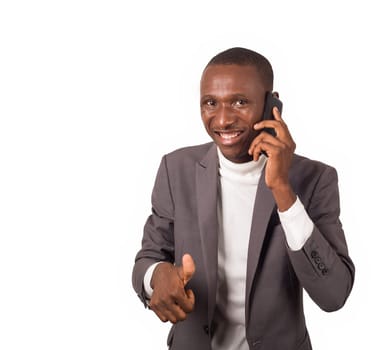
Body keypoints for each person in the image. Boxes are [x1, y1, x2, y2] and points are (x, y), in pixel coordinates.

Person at [132, 47, 355, 350]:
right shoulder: (176, 169)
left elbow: (334, 294)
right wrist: (157, 276)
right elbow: (148, 258)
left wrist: (283, 191)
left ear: (271, 104)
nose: (222, 120)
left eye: (239, 102)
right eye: (210, 103)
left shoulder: (315, 180)